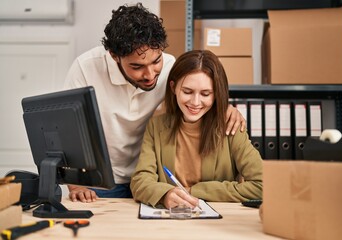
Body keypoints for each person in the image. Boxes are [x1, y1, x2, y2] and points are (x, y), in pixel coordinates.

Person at [64, 3, 246, 202]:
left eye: (156, 61)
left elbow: (194, 95)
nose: (150, 75)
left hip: (148, 179)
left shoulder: (169, 67)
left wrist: (223, 108)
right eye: (137, 66)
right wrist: (75, 184)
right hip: (100, 182)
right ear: (114, 56)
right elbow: (69, 131)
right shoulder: (85, 68)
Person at [130, 50, 263, 209]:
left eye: (206, 94)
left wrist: (195, 191)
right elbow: (140, 181)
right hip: (170, 220)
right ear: (173, 87)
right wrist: (165, 194)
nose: (195, 102)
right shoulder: (156, 126)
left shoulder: (231, 126)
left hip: (218, 222)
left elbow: (262, 185)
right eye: (187, 92)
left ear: (216, 94)